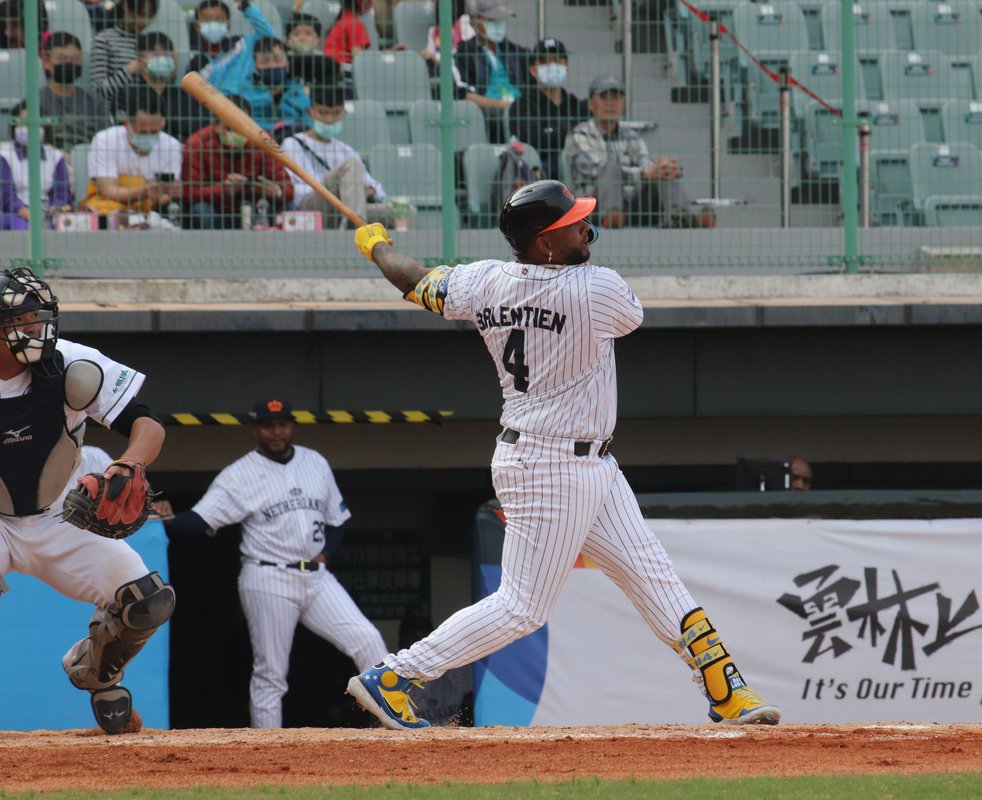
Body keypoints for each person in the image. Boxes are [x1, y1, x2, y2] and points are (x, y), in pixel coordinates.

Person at [345, 180, 781, 730]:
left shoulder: (483, 280)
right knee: (522, 607)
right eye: (575, 225)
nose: (587, 229)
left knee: (655, 576)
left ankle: (727, 692)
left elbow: (417, 282)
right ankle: (396, 676)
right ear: (544, 243)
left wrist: (378, 246)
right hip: (548, 466)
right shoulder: (596, 288)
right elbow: (627, 315)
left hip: (588, 463)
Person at [0, 267, 174, 735]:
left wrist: (129, 463)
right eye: (22, 322)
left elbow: (147, 423)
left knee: (148, 601)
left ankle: (96, 667)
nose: (37, 330)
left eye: (39, 319)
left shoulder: (72, 364)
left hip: (60, 514)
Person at [154, 397, 388, 728]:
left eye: (282, 424)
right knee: (271, 674)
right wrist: (166, 519)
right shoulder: (239, 474)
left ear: (290, 426)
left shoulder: (314, 462)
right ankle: (268, 745)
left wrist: (327, 553)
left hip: (316, 577)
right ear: (256, 430)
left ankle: (385, 723)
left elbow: (338, 519)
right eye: (268, 426)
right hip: (268, 577)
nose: (276, 431)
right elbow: (200, 521)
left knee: (368, 640)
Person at [563, 75, 715, 229]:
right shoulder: (579, 135)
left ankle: (680, 216)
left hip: (631, 204)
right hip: (592, 207)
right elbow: (596, 171)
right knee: (610, 168)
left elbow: (648, 166)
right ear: (591, 104)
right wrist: (644, 173)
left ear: (623, 103)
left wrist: (662, 168)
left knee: (662, 172)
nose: (611, 103)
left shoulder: (632, 136)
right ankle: (611, 216)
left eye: (617, 97)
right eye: (604, 97)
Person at [281, 84, 392, 229]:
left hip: (347, 206)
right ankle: (355, 229)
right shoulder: (292, 144)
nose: (329, 120)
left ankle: (355, 224)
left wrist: (368, 191)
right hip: (310, 207)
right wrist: (340, 191)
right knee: (351, 165)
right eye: (323, 113)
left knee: (402, 213)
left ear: (343, 114)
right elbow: (292, 190)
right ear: (311, 113)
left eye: (335, 113)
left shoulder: (346, 150)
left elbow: (378, 190)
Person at [181, 93, 294, 229]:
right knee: (200, 210)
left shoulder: (264, 141)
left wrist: (276, 191)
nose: (236, 134)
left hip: (257, 211)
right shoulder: (196, 143)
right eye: (228, 129)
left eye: (241, 128)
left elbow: (288, 188)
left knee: (287, 205)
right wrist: (223, 189)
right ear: (216, 124)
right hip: (218, 212)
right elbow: (189, 193)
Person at [82, 88, 184, 228]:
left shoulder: (172, 146)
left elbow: (167, 194)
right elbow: (107, 190)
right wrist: (144, 192)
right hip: (111, 206)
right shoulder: (104, 140)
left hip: (152, 210)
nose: (148, 137)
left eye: (154, 132)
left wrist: (170, 192)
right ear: (126, 123)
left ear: (163, 124)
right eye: (142, 132)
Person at [508, 37, 587, 182]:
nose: (552, 65)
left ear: (566, 66)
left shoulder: (576, 105)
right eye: (545, 61)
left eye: (557, 60)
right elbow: (533, 141)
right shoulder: (522, 106)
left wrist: (554, 133)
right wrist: (569, 133)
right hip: (542, 174)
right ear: (533, 70)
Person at [452, 0, 528, 142]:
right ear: (473, 23)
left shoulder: (517, 52)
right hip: (490, 120)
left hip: (524, 118)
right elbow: (464, 95)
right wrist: (508, 108)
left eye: (501, 20)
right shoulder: (463, 55)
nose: (498, 24)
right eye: (492, 20)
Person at [114, 32, 209, 143]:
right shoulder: (126, 94)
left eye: (168, 55)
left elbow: (200, 127)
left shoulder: (183, 95)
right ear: (140, 61)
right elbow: (124, 128)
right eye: (156, 55)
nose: (163, 59)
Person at [210, 36, 312, 134]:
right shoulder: (238, 91)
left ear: (287, 65)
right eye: (265, 61)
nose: (272, 66)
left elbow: (309, 128)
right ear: (255, 66)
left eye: (277, 60)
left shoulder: (299, 94)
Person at [1, 102, 74, 230]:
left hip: (48, 213)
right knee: (23, 230)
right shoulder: (5, 156)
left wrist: (55, 207)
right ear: (15, 126)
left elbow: (62, 192)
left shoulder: (55, 156)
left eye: (34, 123)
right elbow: (6, 196)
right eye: (24, 123)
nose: (29, 128)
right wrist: (26, 212)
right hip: (16, 213)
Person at [39, 32, 110, 153]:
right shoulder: (36, 101)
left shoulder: (95, 101)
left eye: (75, 59)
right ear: (47, 61)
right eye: (62, 58)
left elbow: (104, 142)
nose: (69, 63)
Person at [89, 0, 161, 115]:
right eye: (141, 14)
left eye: (150, 16)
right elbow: (98, 91)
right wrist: (129, 70)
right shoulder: (103, 40)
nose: (145, 21)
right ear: (126, 8)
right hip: (111, 119)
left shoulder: (150, 42)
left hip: (146, 118)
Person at [187, 0, 271, 77]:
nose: (213, 23)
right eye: (207, 20)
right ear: (197, 26)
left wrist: (245, 6)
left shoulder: (242, 44)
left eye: (219, 19)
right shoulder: (196, 64)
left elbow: (269, 38)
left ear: (228, 25)